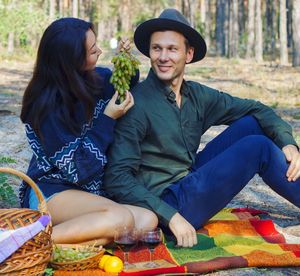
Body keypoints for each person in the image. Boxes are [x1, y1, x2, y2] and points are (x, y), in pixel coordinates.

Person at [104, 8, 300, 248]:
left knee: (251, 124)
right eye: (157, 48)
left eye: (172, 49)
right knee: (256, 147)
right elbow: (117, 178)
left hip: (189, 178)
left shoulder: (197, 95)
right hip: (168, 203)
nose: (163, 57)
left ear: (189, 54)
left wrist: (287, 142)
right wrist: (171, 217)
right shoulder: (137, 103)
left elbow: (256, 109)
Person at [19, 17, 158, 245]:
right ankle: (26, 242)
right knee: (122, 220)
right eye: (93, 50)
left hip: (89, 194)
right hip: (53, 190)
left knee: (147, 220)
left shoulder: (96, 79)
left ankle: (61, 243)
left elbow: (126, 82)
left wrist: (126, 59)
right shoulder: (47, 107)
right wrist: (107, 119)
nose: (100, 52)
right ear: (72, 60)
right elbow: (78, 170)